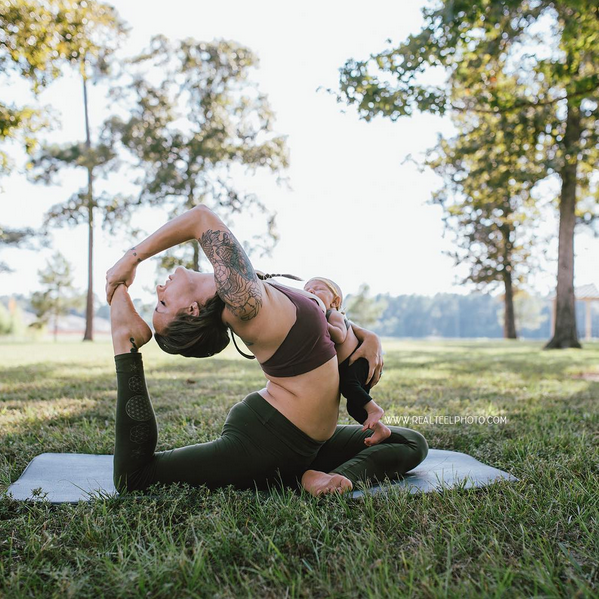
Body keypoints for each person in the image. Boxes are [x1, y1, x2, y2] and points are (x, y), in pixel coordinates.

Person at [105, 205, 428, 496]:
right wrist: (129, 261)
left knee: (411, 443)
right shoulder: (243, 302)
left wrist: (366, 335)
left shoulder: (243, 289)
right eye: (162, 303)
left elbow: (320, 324)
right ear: (191, 310)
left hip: (304, 442)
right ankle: (125, 339)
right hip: (267, 440)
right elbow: (201, 217)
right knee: (137, 477)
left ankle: (309, 474)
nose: (159, 288)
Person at [303, 277, 392, 446]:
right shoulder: (321, 317)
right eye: (306, 290)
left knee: (349, 386)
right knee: (354, 406)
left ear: (335, 301)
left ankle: (375, 409)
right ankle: (381, 429)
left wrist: (321, 322)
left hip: (358, 361)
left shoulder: (333, 315)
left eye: (317, 289)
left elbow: (340, 335)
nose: (311, 291)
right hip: (348, 367)